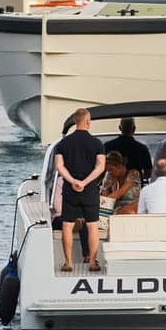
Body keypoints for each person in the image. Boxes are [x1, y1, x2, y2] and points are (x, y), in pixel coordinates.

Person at [54, 108, 106, 271]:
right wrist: (85, 182)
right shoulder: (97, 143)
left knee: (67, 226)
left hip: (70, 190)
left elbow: (59, 167)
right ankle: (92, 262)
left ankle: (68, 262)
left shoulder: (63, 143)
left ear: (76, 122)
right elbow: (100, 167)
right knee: (92, 226)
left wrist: (73, 181)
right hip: (90, 190)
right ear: (88, 121)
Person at [102, 116, 153, 181]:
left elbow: (101, 169)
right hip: (134, 188)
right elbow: (148, 173)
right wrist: (135, 179)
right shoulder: (142, 149)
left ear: (120, 128)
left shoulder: (107, 146)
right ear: (134, 128)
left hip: (113, 188)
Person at [102, 151, 141, 217]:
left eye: (111, 169)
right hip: (115, 207)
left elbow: (121, 192)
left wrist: (103, 202)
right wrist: (108, 185)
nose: (109, 172)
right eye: (107, 170)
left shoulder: (133, 174)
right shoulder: (109, 175)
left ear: (119, 166)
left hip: (132, 206)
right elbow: (104, 195)